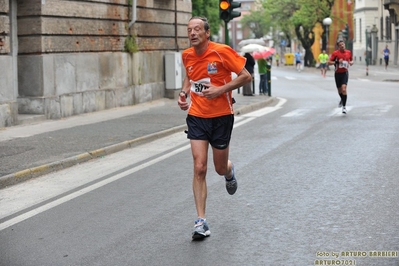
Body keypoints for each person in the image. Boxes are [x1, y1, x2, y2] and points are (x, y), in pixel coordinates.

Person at [178, 16, 251, 240]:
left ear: (207, 33)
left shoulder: (222, 52)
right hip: (197, 116)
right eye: (189, 29)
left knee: (219, 168)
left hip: (221, 116)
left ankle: (229, 171)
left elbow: (246, 76)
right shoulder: (186, 55)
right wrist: (183, 93)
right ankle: (201, 222)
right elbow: (191, 77)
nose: (192, 33)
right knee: (199, 167)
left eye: (197, 29)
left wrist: (221, 90)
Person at [328, 40, 354, 114]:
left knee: (344, 89)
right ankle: (342, 100)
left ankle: (344, 107)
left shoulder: (348, 52)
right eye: (340, 45)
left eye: (343, 44)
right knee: (339, 91)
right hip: (337, 74)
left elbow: (351, 60)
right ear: (338, 46)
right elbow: (329, 62)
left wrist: (351, 62)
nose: (342, 45)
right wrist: (337, 62)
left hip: (344, 73)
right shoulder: (335, 53)